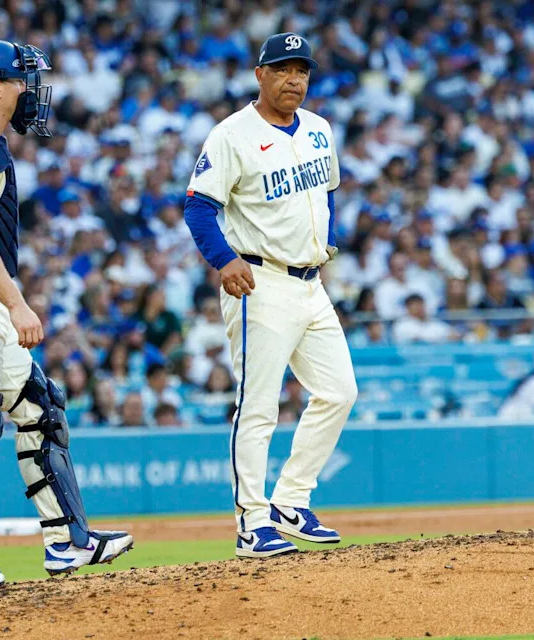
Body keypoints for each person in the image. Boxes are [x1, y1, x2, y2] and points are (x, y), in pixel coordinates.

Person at [0, 37, 133, 593]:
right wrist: (16, 302)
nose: (29, 90)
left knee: (38, 407)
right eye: (19, 80)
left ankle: (68, 541)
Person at [184, 33, 355, 559]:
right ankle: (252, 522)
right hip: (258, 282)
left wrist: (328, 237)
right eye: (283, 69)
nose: (294, 79)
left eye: (302, 70)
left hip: (311, 283)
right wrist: (224, 259)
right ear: (260, 75)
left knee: (339, 392)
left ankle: (291, 501)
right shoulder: (232, 134)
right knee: (258, 409)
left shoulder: (321, 130)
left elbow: (327, 193)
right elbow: (197, 206)